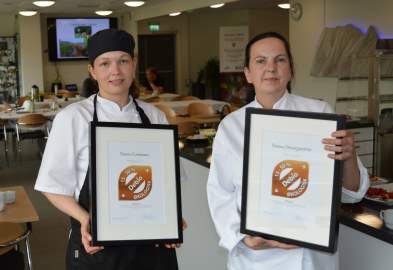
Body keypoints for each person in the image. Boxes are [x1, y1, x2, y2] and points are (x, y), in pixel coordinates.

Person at [207, 32, 369, 270]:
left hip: (312, 258)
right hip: (256, 261)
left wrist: (349, 156)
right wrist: (246, 239)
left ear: (291, 70)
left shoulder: (321, 113)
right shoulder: (231, 126)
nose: (271, 68)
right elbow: (220, 193)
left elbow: (353, 194)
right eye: (261, 61)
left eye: (280, 60)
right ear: (248, 74)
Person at [35, 29, 181, 270]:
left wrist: (170, 217)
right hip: (97, 245)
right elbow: (51, 186)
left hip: (151, 248)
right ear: (92, 71)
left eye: (123, 61)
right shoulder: (73, 118)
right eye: (105, 63)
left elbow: (166, 180)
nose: (115, 71)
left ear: (134, 64)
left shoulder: (155, 116)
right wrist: (85, 219)